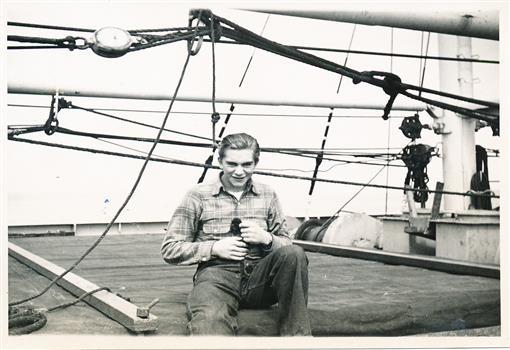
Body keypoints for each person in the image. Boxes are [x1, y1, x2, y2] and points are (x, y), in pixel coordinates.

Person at [161, 132, 311, 336]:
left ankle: (298, 340)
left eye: (247, 164)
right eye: (231, 164)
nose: (239, 172)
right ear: (220, 162)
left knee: (294, 254)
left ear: (255, 163)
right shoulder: (197, 195)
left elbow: (287, 244)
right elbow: (170, 249)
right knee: (210, 319)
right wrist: (214, 248)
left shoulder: (268, 194)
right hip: (216, 277)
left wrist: (267, 239)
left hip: (261, 279)